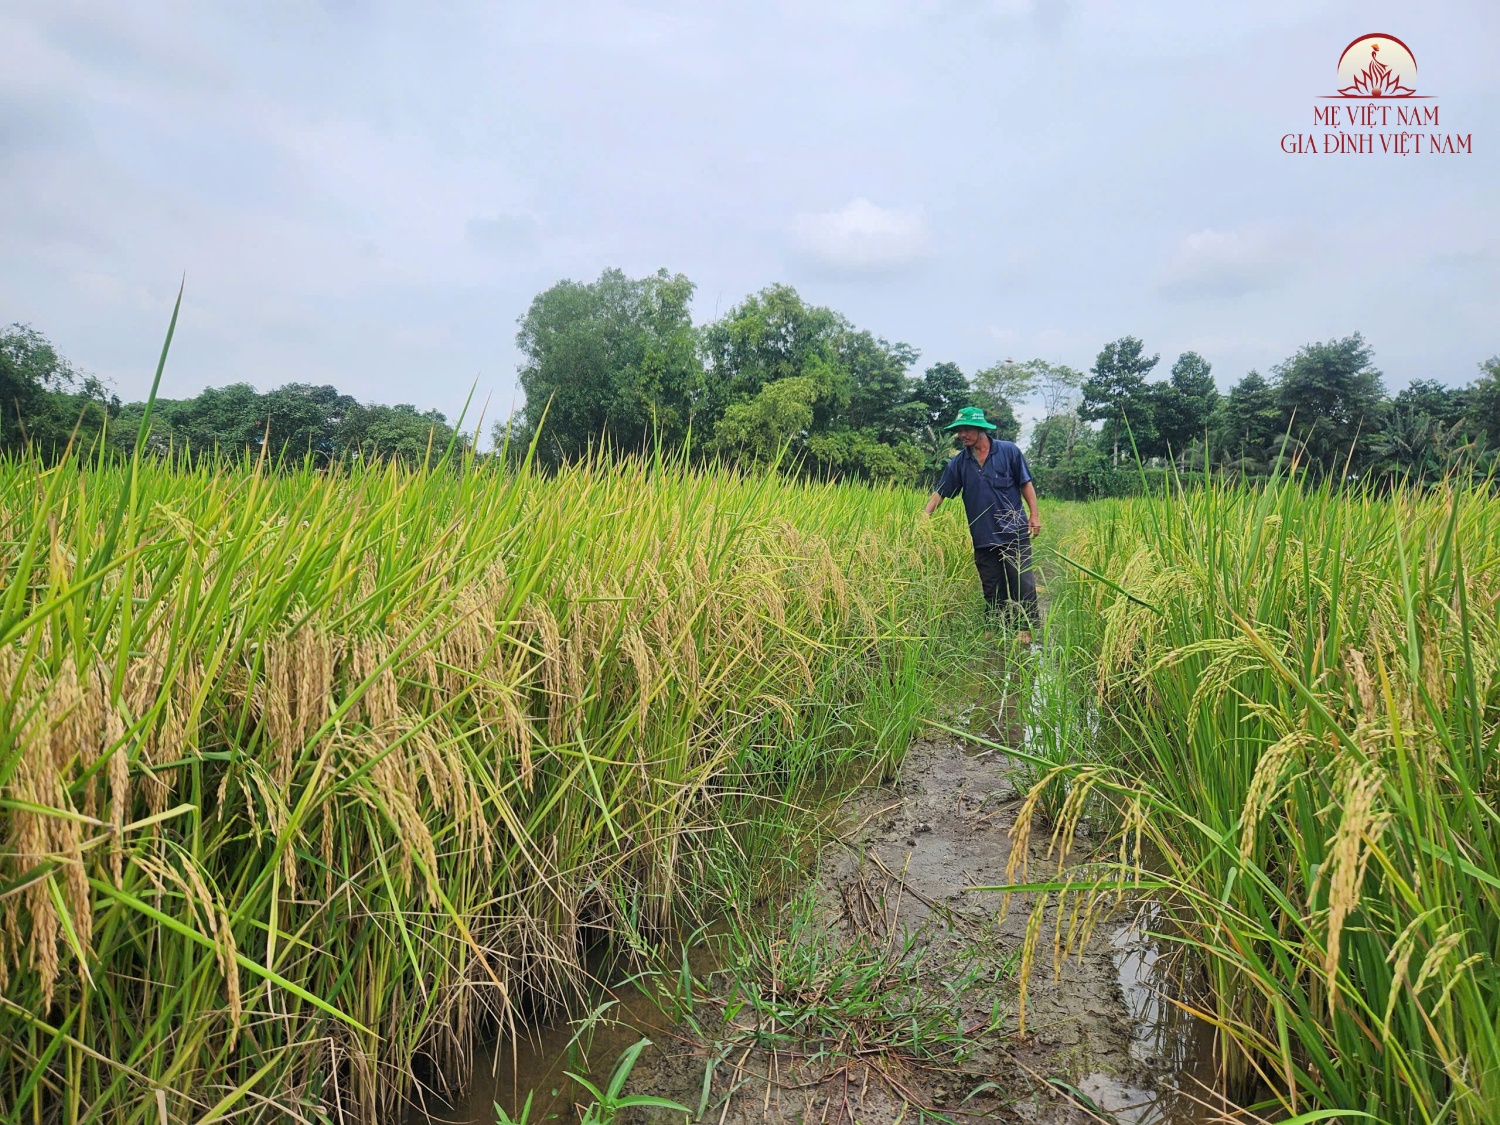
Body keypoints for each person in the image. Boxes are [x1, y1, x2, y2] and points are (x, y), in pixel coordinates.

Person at [922, 406, 1041, 640]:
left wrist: (1034, 515)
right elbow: (941, 493)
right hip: (983, 534)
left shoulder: (1009, 452)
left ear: (980, 429)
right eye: (959, 431)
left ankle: (1025, 628)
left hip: (1013, 531)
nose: (961, 435)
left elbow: (1025, 484)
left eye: (966, 430)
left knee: (1021, 582)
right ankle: (996, 627)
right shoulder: (958, 463)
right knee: (991, 585)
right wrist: (923, 518)